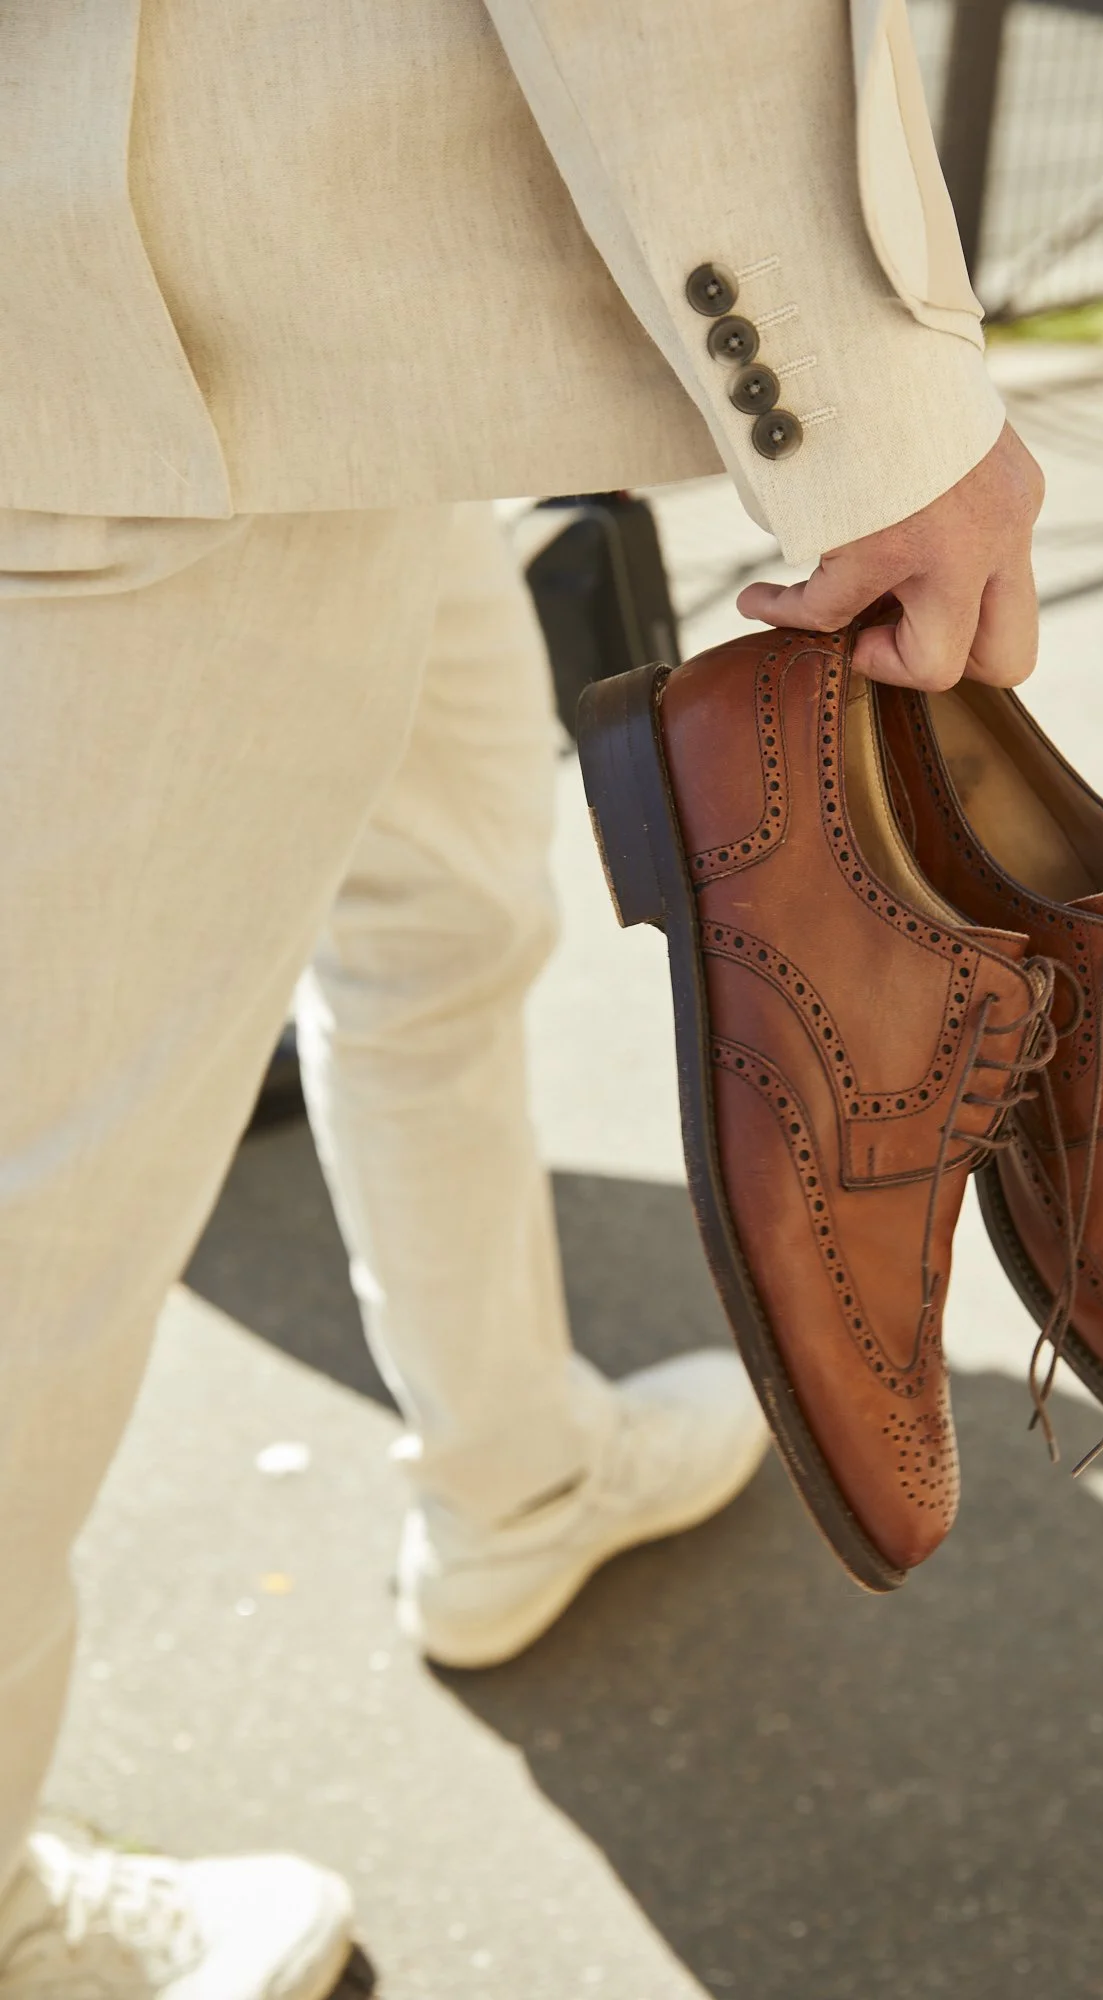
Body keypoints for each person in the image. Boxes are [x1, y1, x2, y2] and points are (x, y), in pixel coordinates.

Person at [0, 2, 1044, 1993]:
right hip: (148, 352)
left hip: (314, 355)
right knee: (38, 1218)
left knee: (440, 928)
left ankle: (508, 1477)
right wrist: (881, 417)